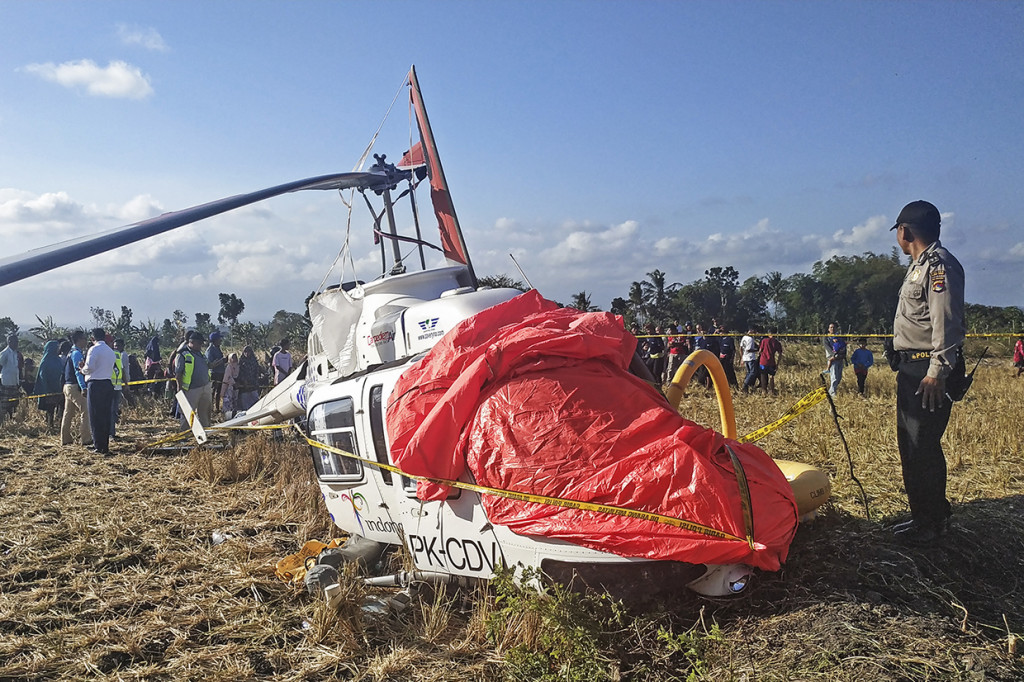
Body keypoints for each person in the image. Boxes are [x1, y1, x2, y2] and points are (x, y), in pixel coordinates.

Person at [887, 200, 965, 544]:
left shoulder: (938, 266)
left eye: (898, 232)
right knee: (911, 444)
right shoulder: (919, 265)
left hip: (927, 371)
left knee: (923, 446)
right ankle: (923, 517)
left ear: (905, 231)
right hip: (912, 366)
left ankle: (932, 523)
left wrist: (936, 372)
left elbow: (946, 323)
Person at [81, 328, 116, 455]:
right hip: (107, 384)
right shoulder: (110, 351)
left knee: (95, 416)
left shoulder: (94, 349)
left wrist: (82, 370)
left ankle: (98, 445)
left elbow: (89, 367)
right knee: (105, 416)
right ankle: (104, 445)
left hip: (96, 384)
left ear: (92, 338)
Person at [175, 331, 212, 430]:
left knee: (204, 412)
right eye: (200, 343)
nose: (201, 345)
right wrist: (180, 388)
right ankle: (184, 435)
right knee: (188, 413)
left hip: (205, 387)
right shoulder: (183, 355)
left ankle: (205, 433)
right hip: (191, 389)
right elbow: (178, 373)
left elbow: (207, 366)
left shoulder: (201, 354)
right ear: (192, 342)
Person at [61, 330, 92, 447]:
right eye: (84, 338)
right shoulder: (77, 354)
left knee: (68, 413)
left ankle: (65, 439)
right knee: (86, 409)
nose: (86, 340)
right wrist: (83, 387)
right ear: (79, 340)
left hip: (67, 386)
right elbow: (78, 371)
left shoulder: (71, 352)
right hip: (75, 386)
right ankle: (86, 438)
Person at [35, 340, 64, 430]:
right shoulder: (45, 361)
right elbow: (42, 375)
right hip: (49, 389)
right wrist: (46, 388)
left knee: (61, 407)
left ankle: (59, 424)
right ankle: (49, 425)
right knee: (50, 409)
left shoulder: (58, 359)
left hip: (59, 388)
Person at [109, 338, 128, 438]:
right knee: (111, 411)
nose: (115, 347)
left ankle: (112, 432)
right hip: (109, 387)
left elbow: (121, 369)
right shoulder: (107, 354)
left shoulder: (118, 355)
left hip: (117, 386)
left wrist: (125, 383)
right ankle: (110, 433)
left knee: (114, 411)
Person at [0, 334, 21, 424]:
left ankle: (10, 422)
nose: (17, 343)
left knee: (14, 405)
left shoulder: (16, 353)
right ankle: (2, 424)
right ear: (9, 342)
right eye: (15, 342)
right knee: (4, 405)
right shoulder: (4, 353)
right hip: (6, 382)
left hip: (14, 382)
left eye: (17, 342)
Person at [823, 323, 846, 396]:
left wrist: (843, 355)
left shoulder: (839, 337)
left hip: (840, 358)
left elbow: (843, 346)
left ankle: (831, 391)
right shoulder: (826, 338)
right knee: (834, 377)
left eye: (834, 327)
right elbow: (828, 348)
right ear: (828, 329)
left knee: (839, 377)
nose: (832, 329)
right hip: (832, 359)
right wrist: (834, 355)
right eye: (831, 327)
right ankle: (832, 393)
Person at [758, 327, 783, 395]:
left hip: (763, 361)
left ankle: (764, 391)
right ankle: (772, 391)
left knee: (763, 375)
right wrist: (777, 364)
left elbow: (760, 351)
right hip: (772, 362)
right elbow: (780, 353)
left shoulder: (764, 340)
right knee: (771, 376)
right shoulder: (777, 342)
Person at [236, 345, 261, 412]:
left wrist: (256, 381)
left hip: (253, 383)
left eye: (248, 351)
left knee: (254, 399)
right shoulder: (241, 361)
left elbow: (256, 371)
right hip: (244, 385)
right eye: (245, 352)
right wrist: (244, 381)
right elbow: (240, 372)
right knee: (245, 401)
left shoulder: (254, 361)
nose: (247, 353)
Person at [206, 332, 227, 413]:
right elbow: (210, 364)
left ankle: (217, 408)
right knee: (212, 391)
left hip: (220, 372)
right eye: (219, 339)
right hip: (214, 373)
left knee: (219, 391)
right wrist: (221, 361)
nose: (220, 340)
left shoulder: (218, 348)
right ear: (214, 340)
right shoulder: (210, 350)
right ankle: (210, 408)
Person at [740, 327, 760, 393]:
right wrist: (757, 350)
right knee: (753, 372)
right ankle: (745, 384)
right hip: (750, 357)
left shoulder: (744, 337)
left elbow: (741, 347)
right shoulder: (750, 339)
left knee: (749, 372)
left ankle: (747, 385)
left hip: (745, 357)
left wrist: (742, 357)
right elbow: (749, 349)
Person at [221, 352, 239, 418]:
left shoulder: (238, 366)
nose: (234, 358)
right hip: (229, 386)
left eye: (235, 357)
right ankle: (227, 415)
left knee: (235, 400)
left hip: (236, 386)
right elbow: (228, 377)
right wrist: (234, 382)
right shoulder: (229, 366)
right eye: (233, 357)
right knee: (228, 401)